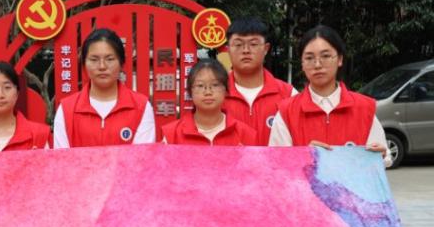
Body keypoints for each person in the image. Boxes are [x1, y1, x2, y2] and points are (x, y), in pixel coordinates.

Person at [268, 25, 390, 166]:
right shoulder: (287, 112)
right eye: (309, 58)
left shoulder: (364, 108)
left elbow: (383, 158)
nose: (317, 65)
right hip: (303, 182)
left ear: (340, 59)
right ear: (302, 64)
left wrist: (380, 155)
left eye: (325, 56)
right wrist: (304, 157)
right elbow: (276, 163)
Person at [53, 28, 155, 147]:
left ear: (121, 63)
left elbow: (143, 156)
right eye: (94, 59)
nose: (102, 66)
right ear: (84, 64)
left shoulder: (141, 106)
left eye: (110, 59)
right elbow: (62, 157)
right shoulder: (67, 109)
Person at [221, 18, 295, 144]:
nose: (246, 50)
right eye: (238, 45)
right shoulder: (215, 94)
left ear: (266, 48)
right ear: (228, 50)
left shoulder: (288, 94)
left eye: (253, 44)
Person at [162, 59, 257, 146]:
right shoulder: (172, 135)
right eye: (200, 86)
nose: (208, 92)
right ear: (190, 92)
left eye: (215, 85)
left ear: (226, 90)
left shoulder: (245, 134)